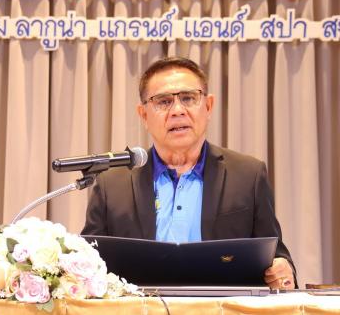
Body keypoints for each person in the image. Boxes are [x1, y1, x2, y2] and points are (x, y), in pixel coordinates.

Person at [82, 56, 296, 290]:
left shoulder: (248, 175)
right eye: (163, 101)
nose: (177, 110)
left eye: (188, 98)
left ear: (208, 106)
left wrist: (282, 272)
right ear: (144, 115)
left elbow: (277, 257)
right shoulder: (111, 184)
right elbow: (88, 263)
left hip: (221, 311)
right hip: (138, 311)